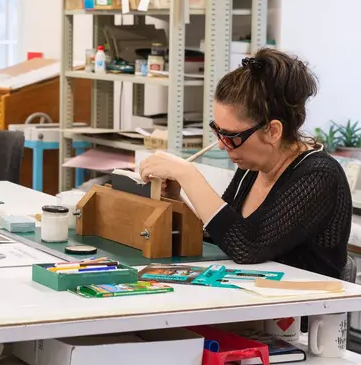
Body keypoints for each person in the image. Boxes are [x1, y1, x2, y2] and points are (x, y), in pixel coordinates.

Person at [139, 48, 352, 279]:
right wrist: (175, 197)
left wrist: (188, 174)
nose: (221, 145)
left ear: (272, 131)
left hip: (305, 308)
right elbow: (223, 237)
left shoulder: (319, 175)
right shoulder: (253, 165)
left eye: (231, 136)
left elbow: (247, 246)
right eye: (217, 131)